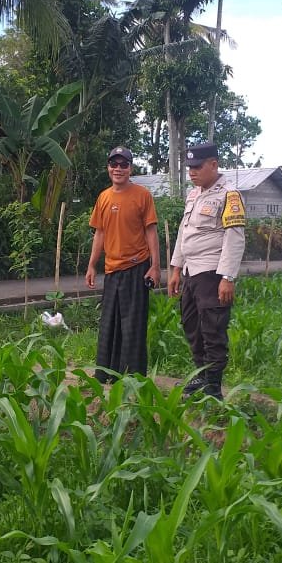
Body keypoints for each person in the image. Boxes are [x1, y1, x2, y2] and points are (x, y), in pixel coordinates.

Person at [167, 142, 246, 400]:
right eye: (189, 167)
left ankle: (213, 386)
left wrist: (227, 277)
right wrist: (176, 268)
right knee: (191, 324)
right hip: (191, 271)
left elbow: (235, 238)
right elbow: (184, 232)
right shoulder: (193, 194)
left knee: (213, 328)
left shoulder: (229, 195)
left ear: (213, 164)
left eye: (197, 167)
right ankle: (201, 374)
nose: (192, 172)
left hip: (212, 272)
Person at [85, 146, 162, 383]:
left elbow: (151, 231)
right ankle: (106, 374)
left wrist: (155, 266)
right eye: (114, 164)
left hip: (137, 268)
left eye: (123, 164)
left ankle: (133, 378)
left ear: (130, 168)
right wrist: (92, 265)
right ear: (108, 167)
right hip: (111, 270)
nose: (118, 169)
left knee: (133, 326)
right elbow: (99, 233)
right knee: (109, 323)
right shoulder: (103, 197)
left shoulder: (142, 195)